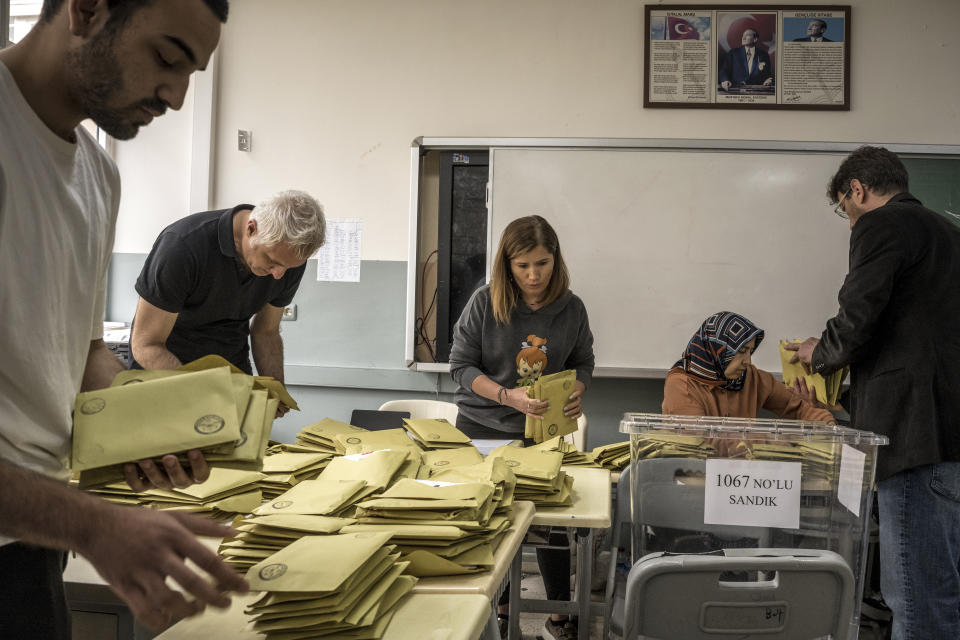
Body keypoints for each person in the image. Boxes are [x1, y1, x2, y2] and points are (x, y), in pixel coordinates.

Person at [0, 1, 249, 637]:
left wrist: (152, 431)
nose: (176, 95)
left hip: (30, 537)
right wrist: (93, 524)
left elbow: (83, 355)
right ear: (87, 10)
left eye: (193, 72)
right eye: (167, 59)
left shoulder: (99, 175)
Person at [785, 146, 960, 640]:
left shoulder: (881, 225)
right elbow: (911, 337)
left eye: (845, 208)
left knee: (916, 596)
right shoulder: (949, 233)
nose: (848, 223)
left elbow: (858, 314)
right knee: (943, 586)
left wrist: (819, 352)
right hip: (948, 432)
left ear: (856, 190)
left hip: (912, 435)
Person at [449, 215, 594, 640]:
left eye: (542, 264)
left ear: (556, 260)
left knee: (551, 525)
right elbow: (461, 366)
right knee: (493, 521)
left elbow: (583, 362)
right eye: (523, 266)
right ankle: (502, 608)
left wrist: (577, 388)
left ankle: (558, 616)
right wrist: (507, 396)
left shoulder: (572, 308)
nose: (533, 275)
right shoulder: (484, 301)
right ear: (507, 265)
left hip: (542, 433)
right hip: (481, 426)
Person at [129, 190, 325, 414]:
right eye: (271, 261)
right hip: (165, 370)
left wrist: (276, 390)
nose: (279, 274)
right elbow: (146, 345)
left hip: (230, 372)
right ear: (251, 229)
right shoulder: (183, 246)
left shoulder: (288, 260)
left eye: (287, 267)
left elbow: (266, 332)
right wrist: (202, 397)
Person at [663, 311, 835, 427]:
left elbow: (799, 407)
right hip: (696, 476)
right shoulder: (681, 384)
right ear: (718, 350)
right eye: (741, 351)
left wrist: (831, 432)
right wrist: (774, 445)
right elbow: (699, 446)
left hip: (743, 474)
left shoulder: (749, 377)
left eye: (750, 351)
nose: (748, 361)